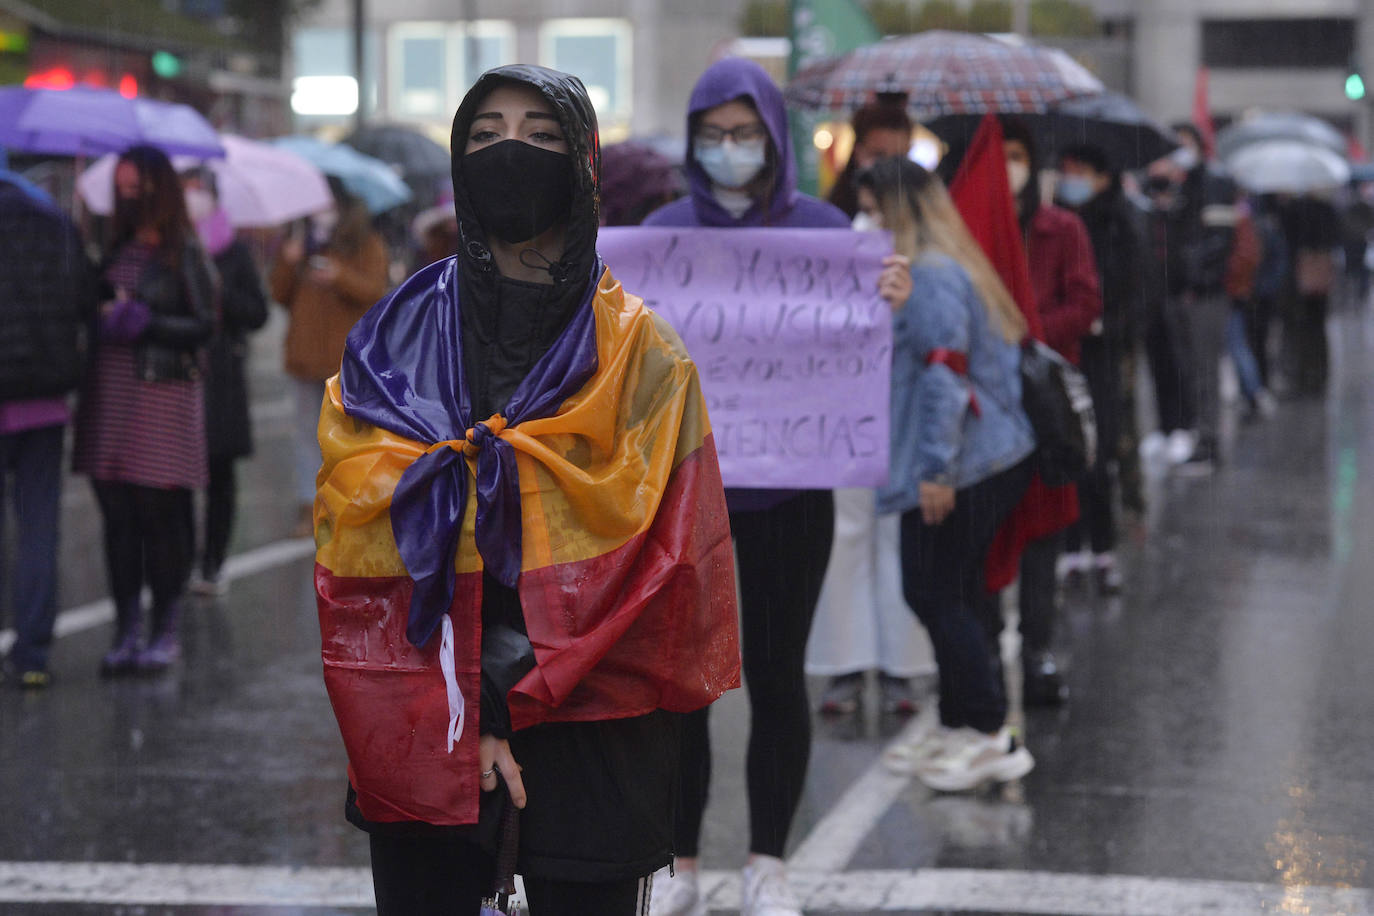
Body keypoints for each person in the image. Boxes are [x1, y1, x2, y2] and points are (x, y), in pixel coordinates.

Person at [314, 65, 739, 916]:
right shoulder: (393, 336)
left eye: (542, 137)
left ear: (582, 166)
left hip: (592, 727)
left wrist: (503, 698)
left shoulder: (645, 354)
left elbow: (655, 564)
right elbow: (355, 532)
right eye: (486, 135)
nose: (512, 153)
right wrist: (468, 705)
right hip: (424, 709)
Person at [642, 57, 849, 916]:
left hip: (792, 496)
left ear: (772, 135)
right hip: (686, 498)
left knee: (777, 673)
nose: (729, 150)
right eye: (712, 135)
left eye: (743, 133)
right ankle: (681, 864)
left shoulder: (829, 232)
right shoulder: (654, 237)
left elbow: (861, 353)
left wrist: (888, 299)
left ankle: (769, 863)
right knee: (682, 687)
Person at [856, 157, 1037, 791]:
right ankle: (962, 722)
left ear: (898, 208)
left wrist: (936, 469)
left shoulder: (930, 273)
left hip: (960, 462)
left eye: (876, 208)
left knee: (934, 592)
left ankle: (990, 733)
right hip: (983, 456)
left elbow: (943, 374)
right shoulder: (937, 266)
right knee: (948, 592)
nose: (869, 220)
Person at [72, 144, 217, 675]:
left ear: (160, 190)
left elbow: (205, 325)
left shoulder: (185, 252)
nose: (129, 198)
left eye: (139, 188)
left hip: (161, 396)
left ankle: (164, 627)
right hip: (109, 393)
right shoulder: (110, 248)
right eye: (122, 189)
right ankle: (127, 626)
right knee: (117, 518)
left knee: (157, 518)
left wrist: (145, 321)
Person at [983, 119, 1100, 706]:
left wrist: (1029, 337)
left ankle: (1036, 651)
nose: (1010, 165)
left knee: (1043, 536)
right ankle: (986, 653)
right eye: (999, 154)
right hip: (989, 413)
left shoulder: (1063, 229)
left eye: (1018, 154)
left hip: (1046, 411)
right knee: (989, 535)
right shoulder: (970, 228)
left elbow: (1085, 302)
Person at [0, 173, 99, 687]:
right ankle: (33, 654)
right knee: (38, 528)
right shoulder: (55, 224)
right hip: (43, 400)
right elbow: (86, 300)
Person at [269, 179, 388, 537]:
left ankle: (348, 506)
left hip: (347, 364)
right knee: (306, 437)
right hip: (304, 358)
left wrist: (340, 276)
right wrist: (289, 263)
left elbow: (375, 292)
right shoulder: (303, 245)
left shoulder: (366, 244)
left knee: (349, 440)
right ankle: (311, 507)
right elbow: (279, 295)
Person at [1055, 143, 1146, 594]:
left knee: (1100, 451)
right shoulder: (1051, 223)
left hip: (1103, 353)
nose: (1071, 178)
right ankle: (1070, 549)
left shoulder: (1121, 224)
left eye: (1081, 171)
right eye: (1066, 169)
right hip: (1060, 352)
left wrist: (1105, 323)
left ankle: (1103, 548)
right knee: (1066, 452)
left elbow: (1136, 291)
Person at [183, 172, 270, 594]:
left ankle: (214, 560)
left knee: (219, 471)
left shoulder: (233, 251)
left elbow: (257, 313)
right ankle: (179, 559)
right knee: (176, 477)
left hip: (222, 376)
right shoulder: (171, 247)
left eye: (200, 189)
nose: (193, 198)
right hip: (179, 373)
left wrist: (221, 294)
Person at [1155, 123, 1239, 473]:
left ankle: (1209, 443)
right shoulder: (1181, 187)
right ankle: (1197, 437)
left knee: (1205, 371)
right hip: (1182, 292)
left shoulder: (1214, 183)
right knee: (1189, 371)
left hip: (1204, 294)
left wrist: (1194, 277)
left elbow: (1220, 242)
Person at [1281, 194, 1341, 396]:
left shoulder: (1295, 209)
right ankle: (1319, 374)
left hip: (1302, 274)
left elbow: (1288, 239)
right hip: (1319, 273)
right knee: (1317, 327)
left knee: (1303, 328)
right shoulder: (1326, 209)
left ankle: (1305, 375)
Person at [826, 100, 913, 218]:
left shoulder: (921, 206)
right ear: (858, 152)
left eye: (898, 157)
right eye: (879, 155)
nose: (889, 166)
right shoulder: (835, 213)